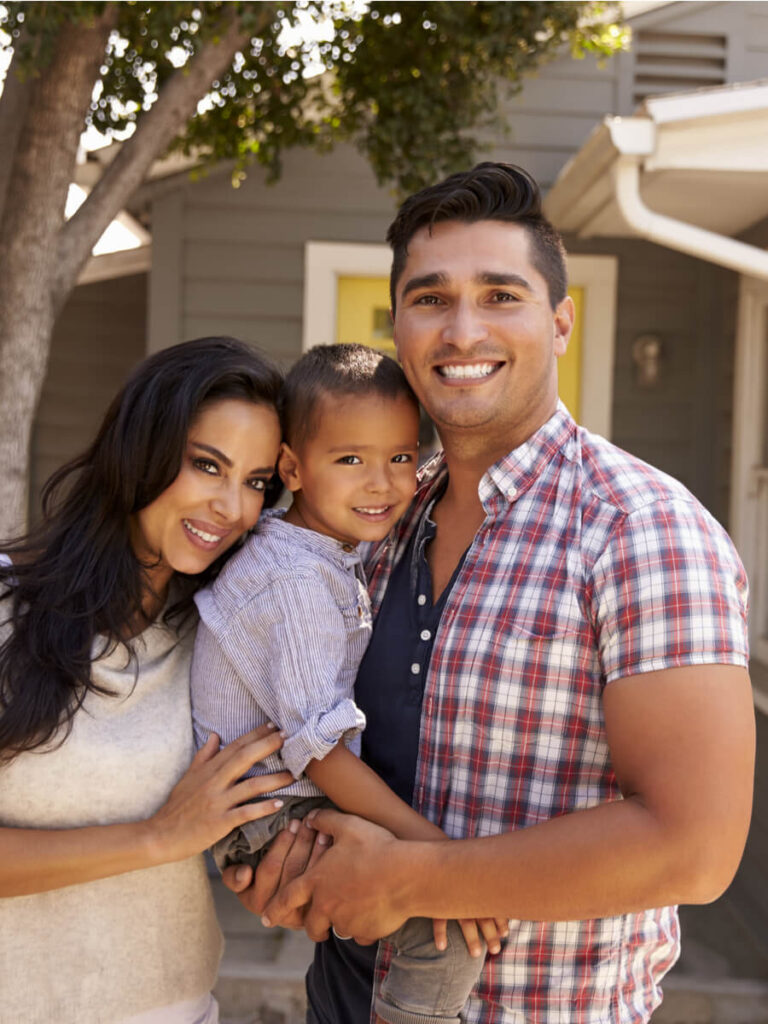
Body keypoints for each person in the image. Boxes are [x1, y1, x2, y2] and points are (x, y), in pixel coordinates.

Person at [224, 164, 756, 1024]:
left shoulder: (641, 530)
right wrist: (281, 864)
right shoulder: (381, 515)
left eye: (500, 295)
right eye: (430, 299)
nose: (461, 329)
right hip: (341, 997)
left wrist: (410, 879)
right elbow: (285, 700)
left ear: (560, 323)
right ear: (398, 327)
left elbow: (694, 848)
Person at [191, 343, 499, 1024]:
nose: (383, 483)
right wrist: (436, 857)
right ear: (294, 469)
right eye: (351, 460)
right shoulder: (296, 582)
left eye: (400, 458)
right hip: (271, 813)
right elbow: (321, 749)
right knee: (441, 924)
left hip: (287, 796)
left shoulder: (326, 548)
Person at [0, 336, 298, 1024]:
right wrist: (159, 838)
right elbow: (176, 832)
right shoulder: (10, 610)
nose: (232, 507)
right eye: (206, 465)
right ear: (143, 447)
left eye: (255, 483)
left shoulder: (221, 640)